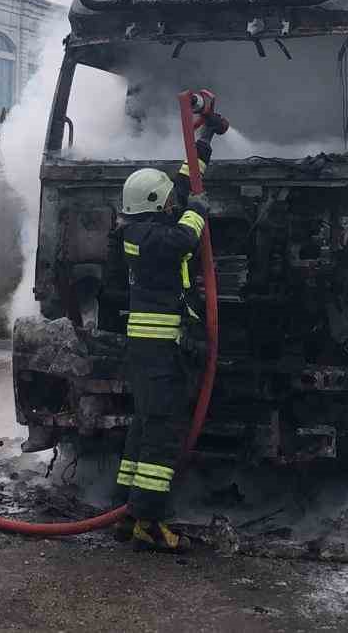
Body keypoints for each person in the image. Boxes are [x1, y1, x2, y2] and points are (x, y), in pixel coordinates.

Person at [109, 108, 227, 551]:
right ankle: (148, 522)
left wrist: (203, 146)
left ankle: (125, 508)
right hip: (157, 354)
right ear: (157, 208)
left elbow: (180, 188)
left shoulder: (142, 223)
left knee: (144, 426)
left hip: (151, 352)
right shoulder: (144, 237)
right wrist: (197, 211)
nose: (174, 205)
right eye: (170, 205)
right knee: (162, 435)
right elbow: (183, 237)